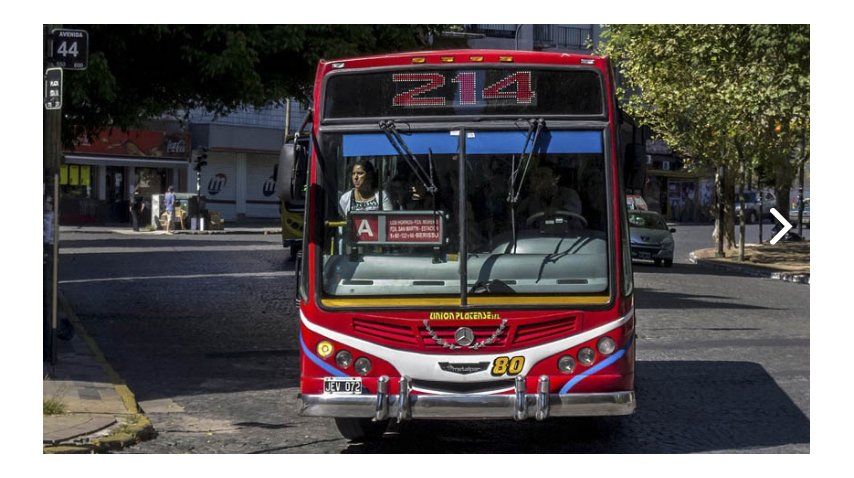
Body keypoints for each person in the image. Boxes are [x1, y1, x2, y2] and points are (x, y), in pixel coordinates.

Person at [516, 166, 583, 229]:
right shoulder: (530, 200)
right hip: (539, 238)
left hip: (570, 236)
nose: (537, 180)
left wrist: (558, 210)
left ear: (555, 179)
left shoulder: (569, 194)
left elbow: (574, 213)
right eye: (535, 176)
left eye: (542, 176)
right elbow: (517, 218)